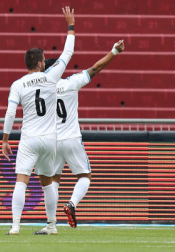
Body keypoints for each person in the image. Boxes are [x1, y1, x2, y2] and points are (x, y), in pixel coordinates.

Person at [2, 6, 75, 235]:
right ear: (41, 63)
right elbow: (67, 54)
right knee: (48, 183)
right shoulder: (51, 77)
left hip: (29, 137)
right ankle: (52, 226)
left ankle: (15, 226)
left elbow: (10, 114)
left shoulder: (18, 84)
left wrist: (5, 139)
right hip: (49, 139)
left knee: (21, 181)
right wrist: (70, 26)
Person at [44, 40, 125, 228]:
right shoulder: (71, 82)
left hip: (51, 141)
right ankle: (71, 203)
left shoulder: (39, 90)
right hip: (71, 137)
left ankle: (51, 223)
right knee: (84, 176)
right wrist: (114, 50)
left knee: (53, 180)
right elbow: (95, 68)